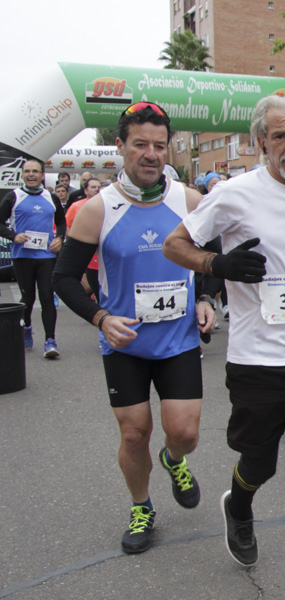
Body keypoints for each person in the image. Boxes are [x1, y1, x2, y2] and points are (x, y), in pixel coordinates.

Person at [163, 93, 285, 600]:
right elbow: (174, 245)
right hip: (256, 359)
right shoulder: (233, 193)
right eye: (280, 136)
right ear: (261, 142)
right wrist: (216, 267)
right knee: (259, 465)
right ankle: (239, 507)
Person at [52, 101, 214, 554]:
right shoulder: (97, 209)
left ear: (169, 150)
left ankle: (173, 459)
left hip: (178, 339)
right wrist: (100, 319)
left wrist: (204, 295)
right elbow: (63, 277)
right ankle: (141, 506)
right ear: (120, 146)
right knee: (133, 432)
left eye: (159, 146)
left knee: (184, 433)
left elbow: (213, 256)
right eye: (140, 144)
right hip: (124, 342)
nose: (151, 154)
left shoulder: (189, 200)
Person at [0, 158, 66, 358]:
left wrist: (60, 238)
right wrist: (14, 236)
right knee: (27, 298)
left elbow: (61, 222)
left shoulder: (50, 197)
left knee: (47, 296)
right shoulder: (13, 197)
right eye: (27, 171)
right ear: (22, 174)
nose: (31, 174)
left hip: (46, 256)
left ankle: (50, 341)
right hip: (23, 256)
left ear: (42, 175)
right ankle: (27, 327)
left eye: (35, 171)